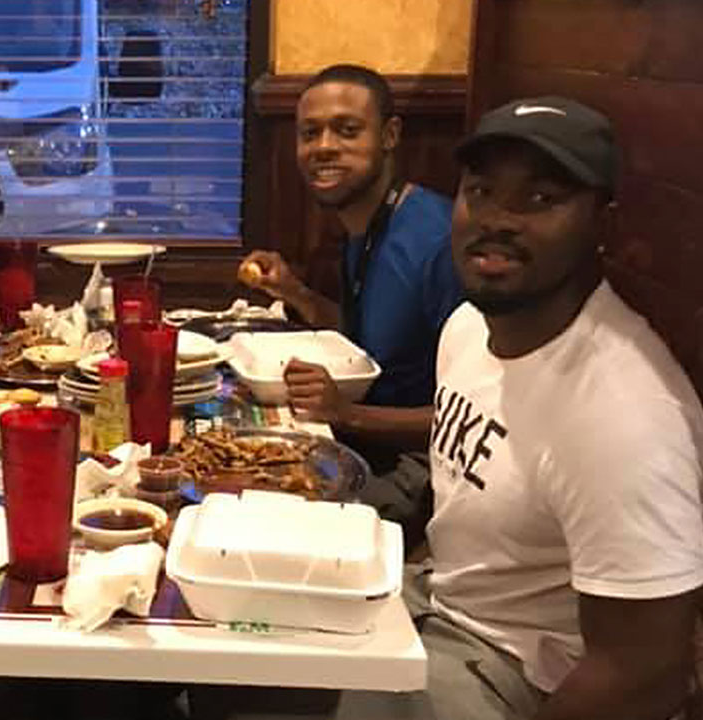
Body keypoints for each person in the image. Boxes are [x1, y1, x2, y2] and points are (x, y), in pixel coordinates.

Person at [214, 98, 703, 720]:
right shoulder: (469, 326)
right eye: (482, 191)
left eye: (541, 199)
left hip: (511, 669)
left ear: (602, 223)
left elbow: (646, 673)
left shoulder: (627, 417)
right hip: (431, 600)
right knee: (227, 656)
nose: (498, 219)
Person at [238, 64, 462, 543]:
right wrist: (293, 292)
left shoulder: (436, 242)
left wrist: (347, 413)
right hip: (356, 437)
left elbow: (475, 418)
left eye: (347, 130)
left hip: (421, 470)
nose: (323, 147)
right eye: (309, 133)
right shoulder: (366, 226)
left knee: (263, 522)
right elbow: (371, 339)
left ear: (389, 135)